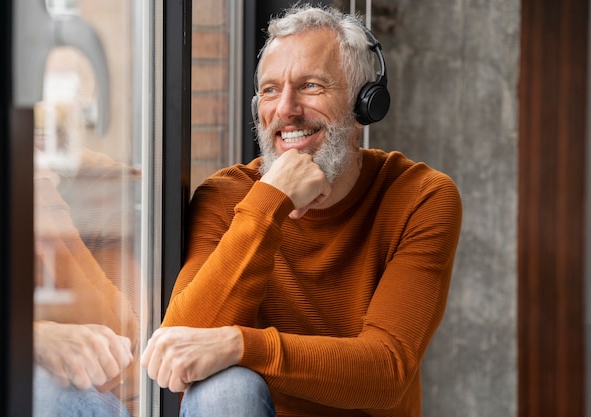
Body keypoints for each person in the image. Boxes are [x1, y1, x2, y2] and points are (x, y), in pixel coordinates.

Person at [141, 4, 462, 417]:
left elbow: (387, 370)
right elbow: (179, 346)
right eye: (271, 90)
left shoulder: (420, 196)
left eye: (311, 86)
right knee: (226, 389)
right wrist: (270, 200)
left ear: (365, 104)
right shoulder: (226, 197)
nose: (286, 110)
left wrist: (241, 345)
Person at [33, 146, 142, 417]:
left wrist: (39, 191)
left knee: (47, 388)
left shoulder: (100, 185)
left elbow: (117, 343)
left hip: (95, 396)